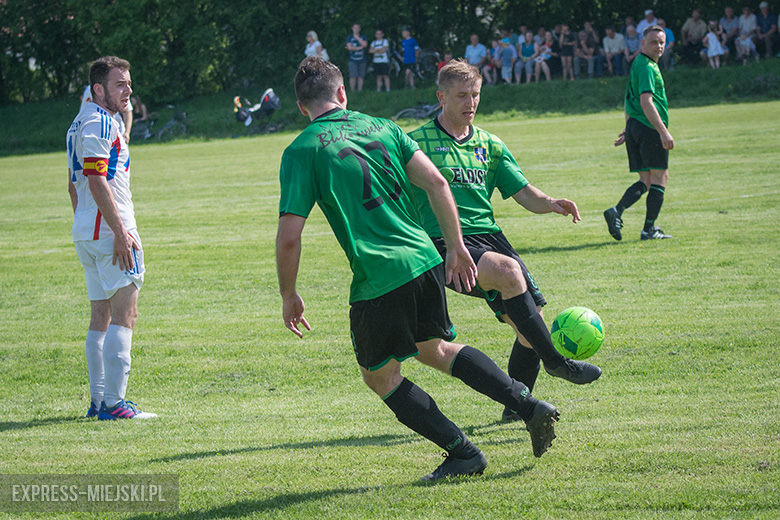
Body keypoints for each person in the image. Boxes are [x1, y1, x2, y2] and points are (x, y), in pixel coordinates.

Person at [277, 56, 560, 481]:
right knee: (435, 350)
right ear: (342, 93)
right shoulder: (385, 128)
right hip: (427, 258)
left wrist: (288, 294)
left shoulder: (302, 150)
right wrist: (457, 248)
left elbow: (290, 235)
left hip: (381, 275)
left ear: (302, 107)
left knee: (380, 376)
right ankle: (527, 403)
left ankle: (463, 453)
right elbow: (437, 183)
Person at [408, 59, 602, 422]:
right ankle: (558, 364)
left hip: (489, 237)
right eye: (462, 95)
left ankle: (518, 406)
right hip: (444, 243)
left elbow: (522, 191)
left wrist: (551, 204)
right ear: (441, 97)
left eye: (476, 95)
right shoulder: (416, 143)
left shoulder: (489, 144)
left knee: (529, 326)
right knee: (510, 272)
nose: (471, 102)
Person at [66, 56, 156, 420]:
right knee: (125, 313)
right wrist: (119, 233)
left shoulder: (80, 121)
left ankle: (99, 401)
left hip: (87, 231)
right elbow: (95, 178)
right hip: (110, 230)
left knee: (100, 314)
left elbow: (73, 184)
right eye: (121, 84)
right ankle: (115, 405)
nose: (128, 89)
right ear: (99, 89)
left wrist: (87, 226)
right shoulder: (101, 121)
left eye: (129, 83)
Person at [604, 25, 674, 242]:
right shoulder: (647, 68)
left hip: (636, 125)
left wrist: (629, 128)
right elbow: (646, 101)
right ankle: (649, 229)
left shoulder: (638, 63)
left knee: (646, 179)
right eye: (654, 42)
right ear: (642, 43)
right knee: (660, 177)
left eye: (662, 42)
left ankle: (617, 211)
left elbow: (628, 100)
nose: (659, 46)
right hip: (649, 127)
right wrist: (663, 132)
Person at [346, 22, 368, 92]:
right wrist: (359, 48)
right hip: (352, 59)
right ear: (352, 28)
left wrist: (358, 38)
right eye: (355, 28)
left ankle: (359, 90)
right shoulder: (349, 38)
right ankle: (352, 90)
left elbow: (365, 45)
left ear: (360, 29)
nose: (356, 29)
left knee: (361, 75)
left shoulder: (363, 37)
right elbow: (349, 47)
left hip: (362, 59)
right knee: (352, 76)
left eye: (357, 28)